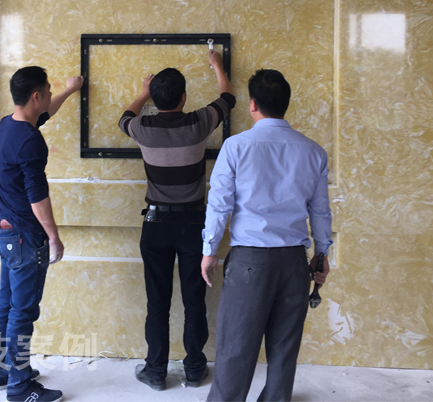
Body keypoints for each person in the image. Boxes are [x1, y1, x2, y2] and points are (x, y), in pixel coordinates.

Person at [201, 69, 333, 402]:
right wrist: (321, 255)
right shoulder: (314, 152)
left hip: (250, 261)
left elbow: (219, 205)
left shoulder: (235, 147)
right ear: (286, 104)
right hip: (294, 262)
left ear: (252, 104)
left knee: (235, 348)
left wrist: (209, 250)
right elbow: (320, 212)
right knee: (284, 350)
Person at [118, 51, 235, 391]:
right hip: (194, 223)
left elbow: (124, 117)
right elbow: (228, 98)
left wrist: (143, 92)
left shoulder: (142, 127)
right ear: (184, 97)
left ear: (155, 100)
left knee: (157, 301)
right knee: (194, 299)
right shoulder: (199, 122)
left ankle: (155, 371)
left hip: (155, 224)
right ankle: (195, 369)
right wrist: (217, 66)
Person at [0, 66, 83, 402]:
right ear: (35, 96)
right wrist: (53, 236)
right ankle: (20, 387)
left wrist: (70, 90)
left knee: (7, 304)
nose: (50, 93)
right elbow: (37, 195)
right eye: (48, 89)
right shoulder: (30, 141)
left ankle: (3, 370)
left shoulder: (8, 125)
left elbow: (44, 113)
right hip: (25, 238)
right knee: (23, 312)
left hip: (5, 232)